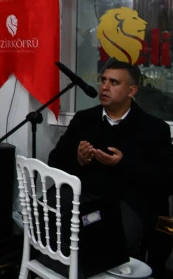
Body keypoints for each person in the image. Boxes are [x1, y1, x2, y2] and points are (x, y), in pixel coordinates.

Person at [48, 60, 173, 277]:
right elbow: (54, 161)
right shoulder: (84, 119)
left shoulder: (154, 128)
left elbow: (166, 181)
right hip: (85, 196)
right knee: (48, 209)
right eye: (103, 80)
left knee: (111, 236)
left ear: (131, 91)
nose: (104, 87)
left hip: (126, 203)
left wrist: (122, 164)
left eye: (114, 82)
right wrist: (77, 158)